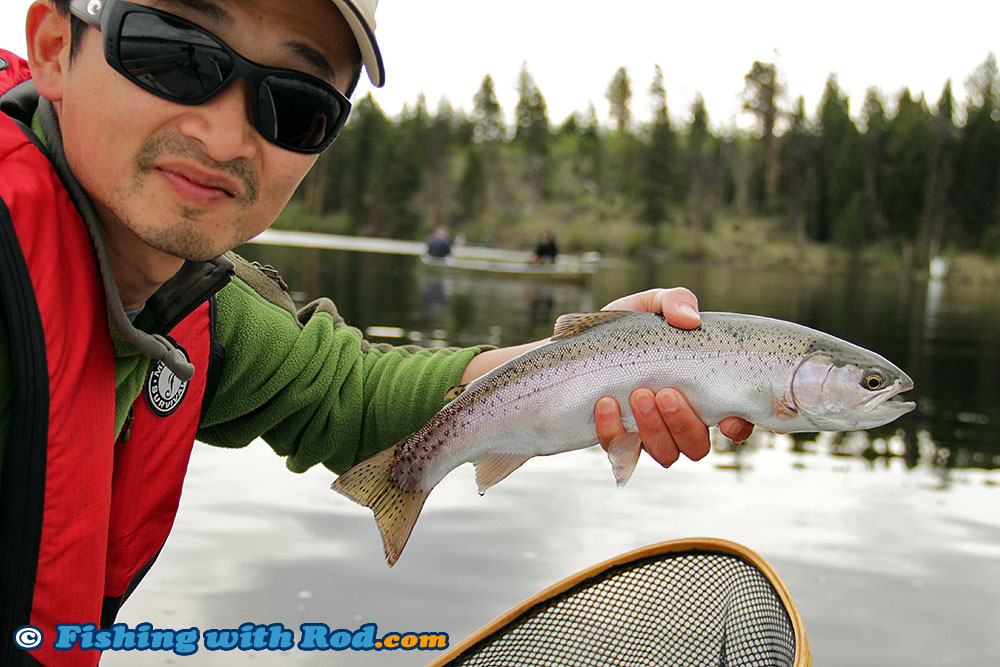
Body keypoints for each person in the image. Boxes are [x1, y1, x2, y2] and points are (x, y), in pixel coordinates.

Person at [0, 1, 753, 664]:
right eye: (176, 54)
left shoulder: (202, 304)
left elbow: (347, 395)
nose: (226, 134)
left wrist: (586, 359)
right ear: (54, 45)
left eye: (295, 105)